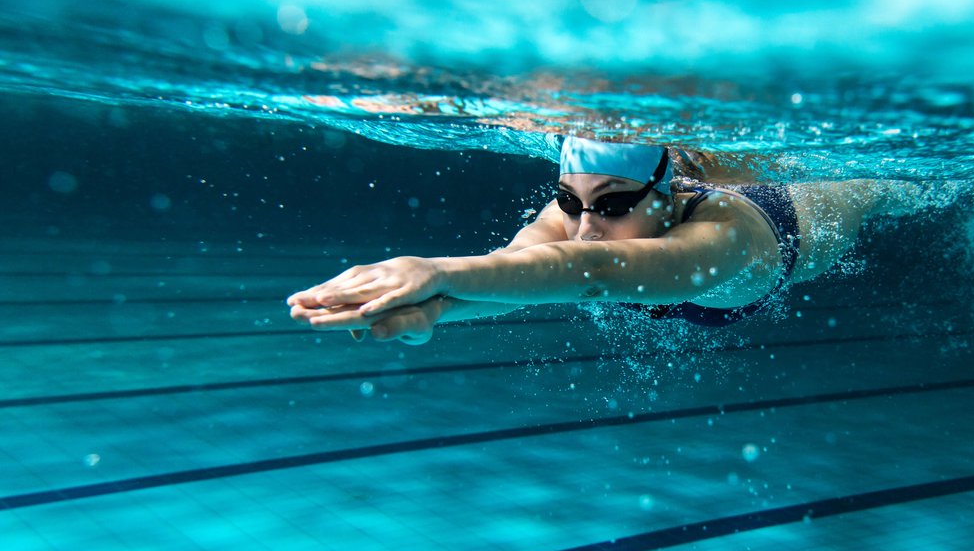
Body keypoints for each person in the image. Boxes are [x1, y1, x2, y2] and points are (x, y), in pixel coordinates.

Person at [288, 136, 905, 344]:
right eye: (568, 201)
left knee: (883, 187)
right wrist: (431, 313)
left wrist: (434, 270)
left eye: (610, 205)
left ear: (667, 198)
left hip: (806, 215)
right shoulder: (580, 220)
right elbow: (513, 272)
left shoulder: (725, 239)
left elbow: (595, 271)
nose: (584, 226)